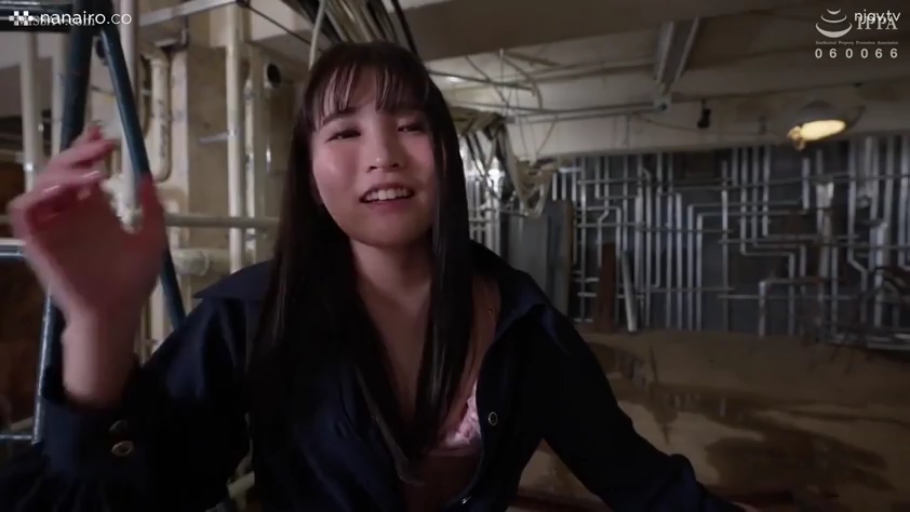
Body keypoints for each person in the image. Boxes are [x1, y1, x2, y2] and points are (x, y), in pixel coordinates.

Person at [0, 41, 749, 512]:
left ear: (446, 155)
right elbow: (133, 495)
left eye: (411, 125)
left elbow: (640, 481)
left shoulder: (526, 326)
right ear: (310, 172)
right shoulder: (250, 316)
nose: (383, 155)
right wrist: (99, 328)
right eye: (345, 131)